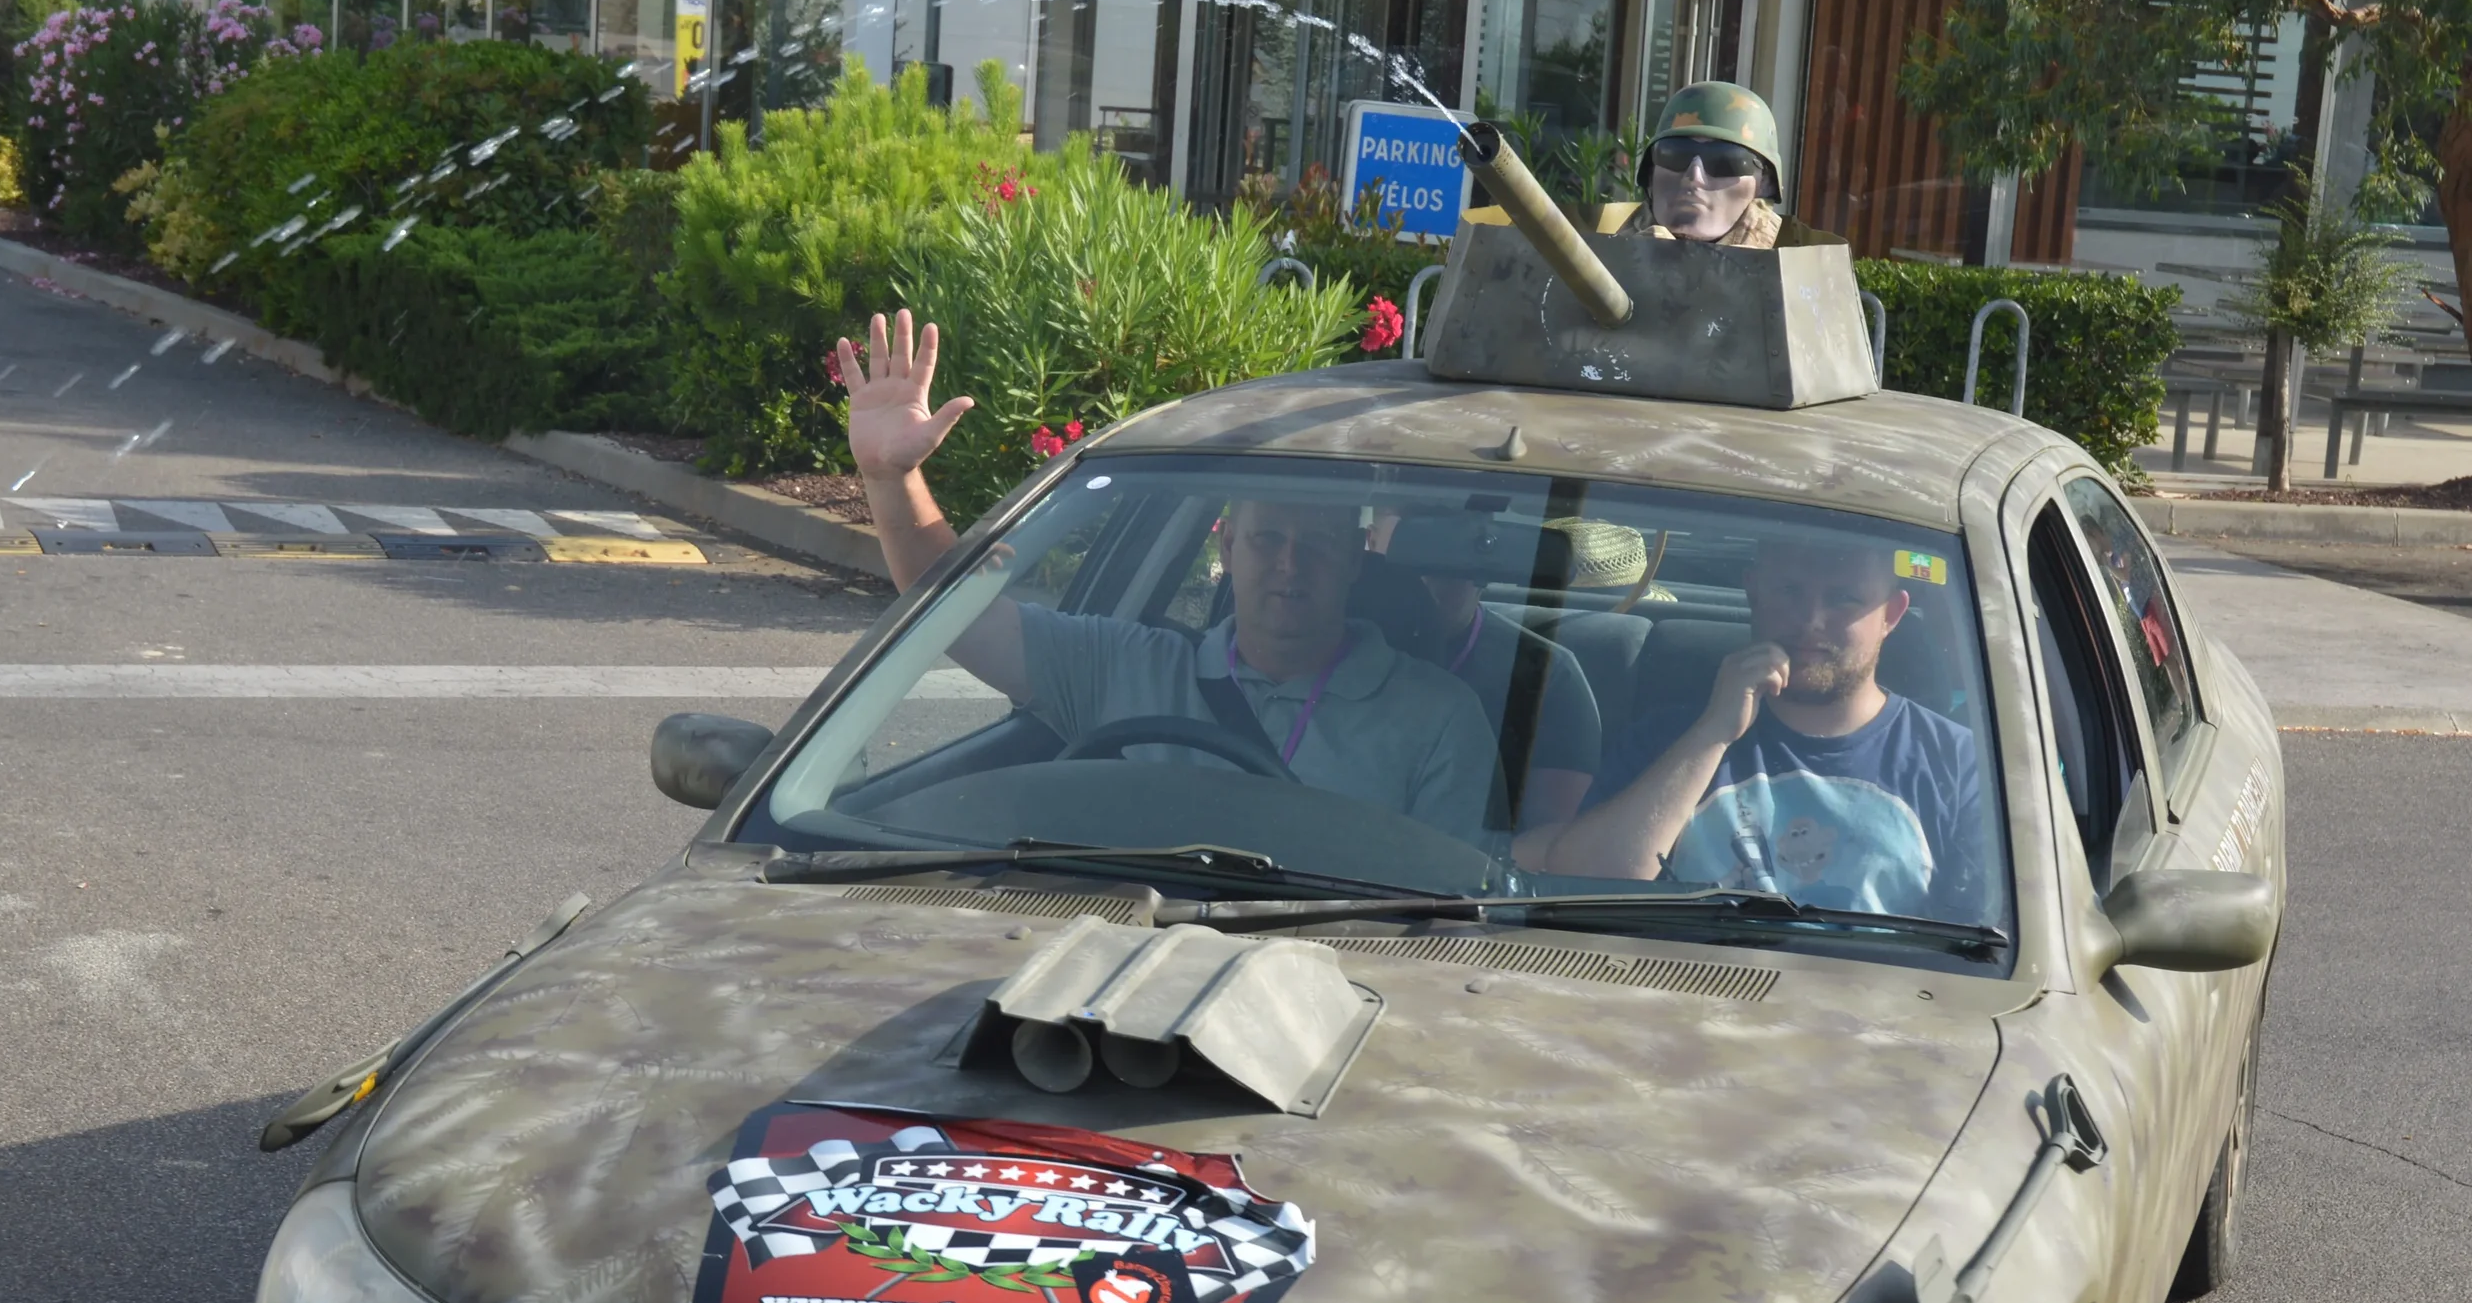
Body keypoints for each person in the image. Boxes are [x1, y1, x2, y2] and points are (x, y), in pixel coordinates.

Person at [838, 309, 1500, 841]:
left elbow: (1442, 920)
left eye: (1318, 545)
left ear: (1356, 558)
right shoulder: (1124, 664)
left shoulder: (1438, 718)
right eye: (1268, 538)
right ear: (1230, 547)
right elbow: (963, 619)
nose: (1290, 563)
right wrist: (892, 482)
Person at [1517, 537, 1984, 920]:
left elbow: (1979, 941)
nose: (1810, 621)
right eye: (1789, 591)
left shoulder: (1960, 764)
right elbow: (1584, 888)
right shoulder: (1665, 740)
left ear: (1891, 615)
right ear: (1753, 593)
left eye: (1844, 598)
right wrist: (1714, 732)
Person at [1370, 512, 1606, 828]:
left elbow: (1549, 844)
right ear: (1369, 544)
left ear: (1485, 561)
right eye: (1412, 554)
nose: (1425, 582)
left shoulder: (1546, 677)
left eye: (1448, 560)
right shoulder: (1314, 644)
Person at [1623, 82, 1841, 251]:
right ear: (1650, 174)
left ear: (1764, 183)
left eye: (1725, 161)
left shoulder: (1803, 268)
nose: (1694, 176)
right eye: (1674, 155)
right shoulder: (1605, 254)